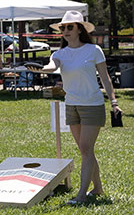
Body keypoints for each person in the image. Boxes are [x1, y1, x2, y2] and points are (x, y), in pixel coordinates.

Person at [34, 11, 120, 204]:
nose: (65, 30)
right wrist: (40, 69)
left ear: (80, 29)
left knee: (86, 149)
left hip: (92, 105)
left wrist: (114, 101)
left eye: (69, 27)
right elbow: (51, 65)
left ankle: (81, 195)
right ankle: (97, 189)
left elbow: (105, 78)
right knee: (85, 150)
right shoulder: (59, 54)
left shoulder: (93, 50)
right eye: (62, 27)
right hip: (71, 105)